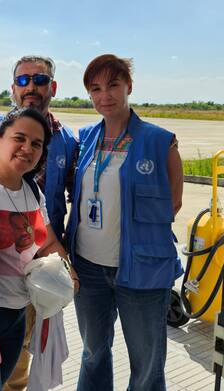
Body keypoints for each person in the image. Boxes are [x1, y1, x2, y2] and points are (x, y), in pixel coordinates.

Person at [65, 54, 184, 391]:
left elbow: (174, 203)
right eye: (95, 88)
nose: (105, 95)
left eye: (113, 85)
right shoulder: (85, 138)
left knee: (147, 364)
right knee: (93, 353)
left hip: (142, 269)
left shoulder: (160, 141)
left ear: (129, 86)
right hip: (88, 267)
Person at [0, 108, 78, 391]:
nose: (27, 148)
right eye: (19, 138)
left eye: (36, 144)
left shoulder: (33, 191)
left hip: (18, 313)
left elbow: (48, 243)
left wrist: (69, 275)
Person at [0, 55, 78, 391]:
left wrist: (66, 268)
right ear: (13, 88)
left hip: (39, 273)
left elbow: (78, 199)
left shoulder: (68, 140)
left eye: (40, 80)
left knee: (19, 365)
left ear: (52, 87)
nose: (31, 87)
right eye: (23, 80)